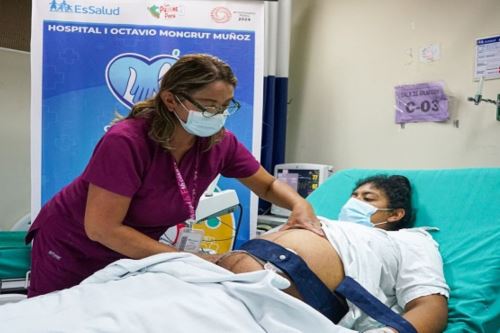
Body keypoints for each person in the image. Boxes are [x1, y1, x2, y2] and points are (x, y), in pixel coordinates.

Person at [26, 53, 321, 297]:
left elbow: (267, 184)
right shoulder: (127, 141)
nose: (217, 115)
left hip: (131, 251)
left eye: (225, 106)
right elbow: (102, 228)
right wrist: (187, 259)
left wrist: (300, 206)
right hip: (72, 245)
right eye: (208, 105)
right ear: (170, 100)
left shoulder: (219, 142)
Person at [217, 175, 449, 333]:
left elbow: (431, 307)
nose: (354, 202)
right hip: (224, 278)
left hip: (290, 291)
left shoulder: (410, 239)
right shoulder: (325, 224)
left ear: (395, 215)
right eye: (354, 196)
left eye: (367, 199)